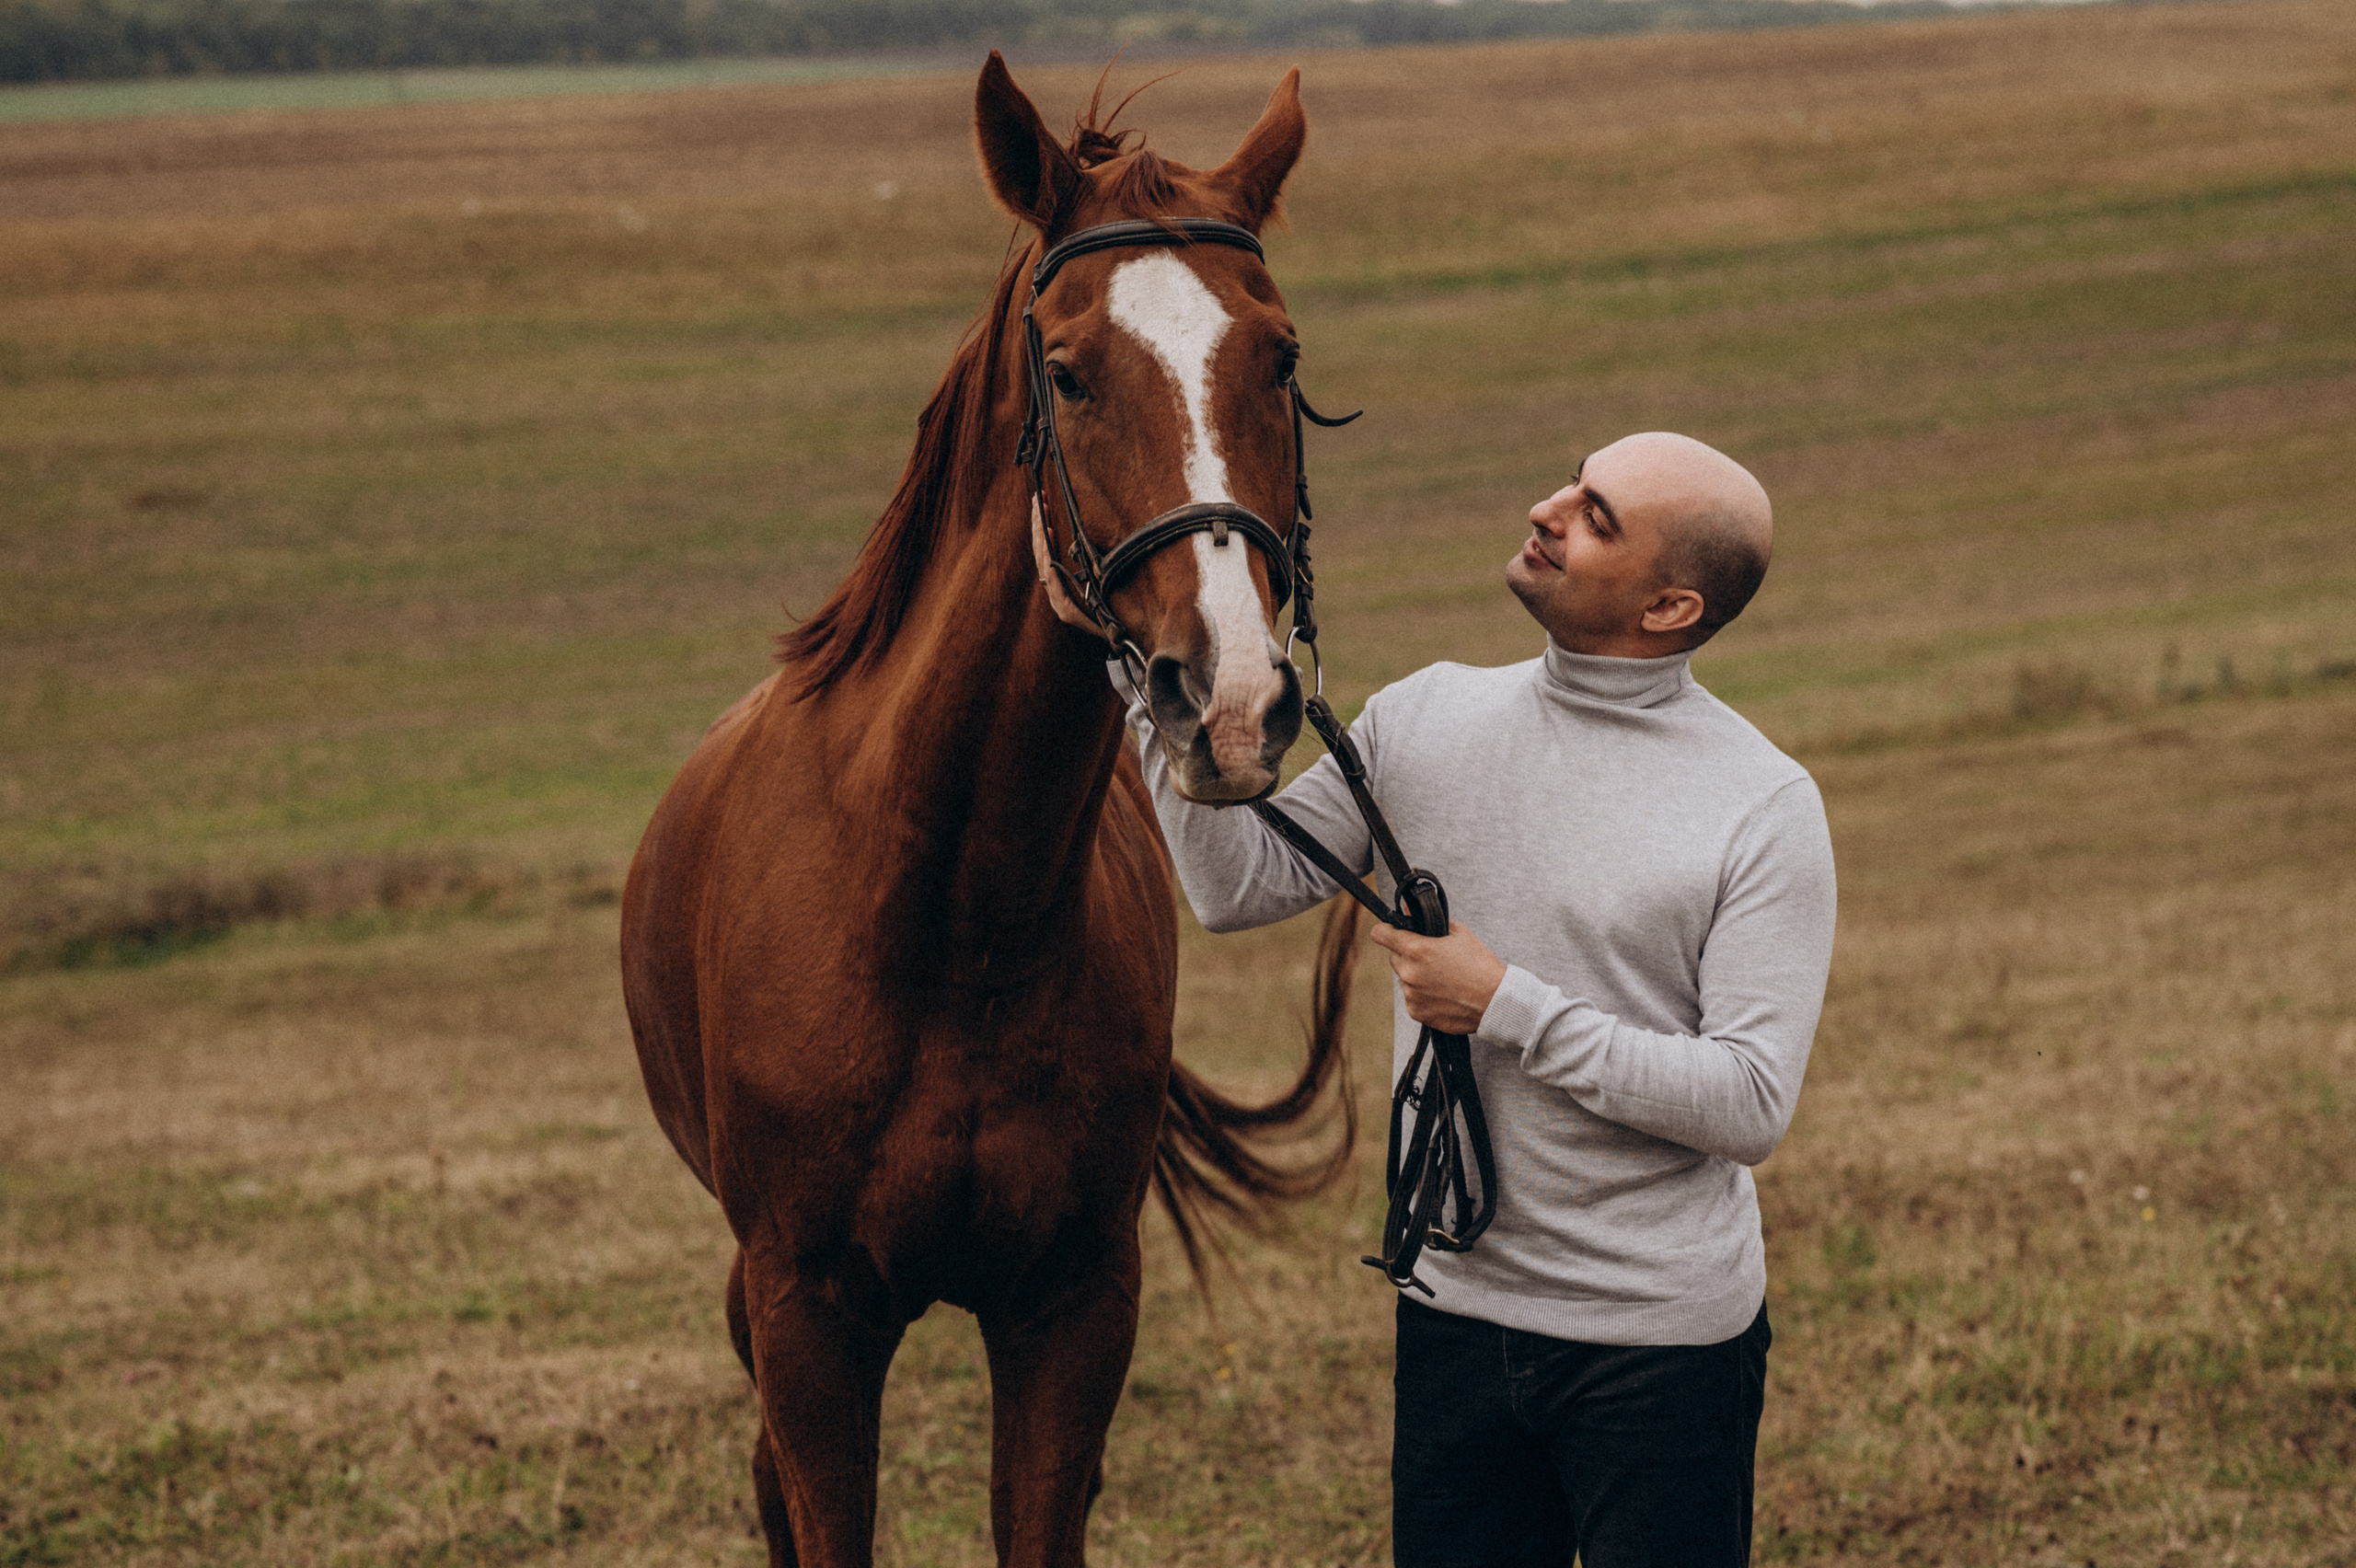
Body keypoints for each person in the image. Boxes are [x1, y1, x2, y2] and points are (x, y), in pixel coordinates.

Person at [1037, 430, 1837, 1567]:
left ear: (1669, 609)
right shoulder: (1428, 717)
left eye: (1597, 517)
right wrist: (1150, 693)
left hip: (1659, 1350)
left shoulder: (1760, 805)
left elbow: (1747, 1103)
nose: (1548, 509)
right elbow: (1236, 885)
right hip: (1453, 1313)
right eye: (1573, 482)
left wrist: (1502, 1003)